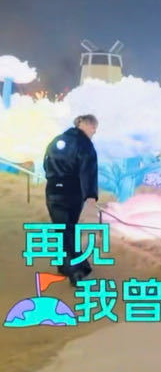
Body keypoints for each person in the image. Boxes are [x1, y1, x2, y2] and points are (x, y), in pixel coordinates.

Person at [43, 114, 99, 286]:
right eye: (94, 128)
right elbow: (88, 171)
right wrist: (90, 194)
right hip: (71, 192)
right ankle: (76, 272)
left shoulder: (57, 140)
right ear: (87, 125)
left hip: (52, 190)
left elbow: (46, 163)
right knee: (69, 230)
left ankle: (64, 266)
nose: (94, 132)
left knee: (62, 230)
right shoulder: (85, 144)